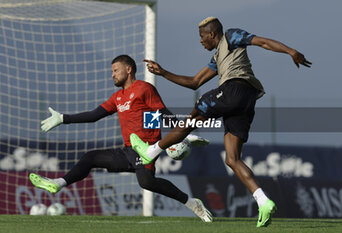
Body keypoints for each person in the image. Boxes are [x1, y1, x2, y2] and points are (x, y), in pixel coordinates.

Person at [130, 17, 312, 227]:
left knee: (192, 118)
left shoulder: (231, 36)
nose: (200, 41)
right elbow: (195, 82)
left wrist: (291, 51)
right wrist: (163, 73)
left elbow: (262, 42)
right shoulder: (218, 58)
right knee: (232, 159)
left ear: (212, 34)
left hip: (234, 90)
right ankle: (263, 201)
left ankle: (151, 151)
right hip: (246, 102)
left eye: (201, 36)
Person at [29, 55, 212, 222]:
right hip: (127, 151)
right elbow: (94, 115)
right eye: (112, 72)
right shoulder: (117, 97)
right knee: (91, 157)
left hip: (146, 149)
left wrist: (183, 135)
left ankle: (192, 203)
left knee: (146, 182)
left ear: (129, 69)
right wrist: (63, 118)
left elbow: (163, 114)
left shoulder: (144, 88)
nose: (112, 75)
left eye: (115, 70)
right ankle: (58, 183)